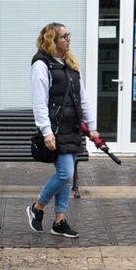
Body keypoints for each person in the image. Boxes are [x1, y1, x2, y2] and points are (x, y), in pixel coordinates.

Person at [28, 22, 99, 239]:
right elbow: (39, 102)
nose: (69, 39)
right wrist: (46, 131)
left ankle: (59, 221)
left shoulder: (70, 64)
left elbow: (82, 98)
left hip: (72, 128)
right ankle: (37, 207)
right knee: (65, 173)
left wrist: (92, 127)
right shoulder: (42, 64)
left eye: (69, 35)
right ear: (52, 40)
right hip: (56, 128)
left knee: (66, 176)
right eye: (64, 36)